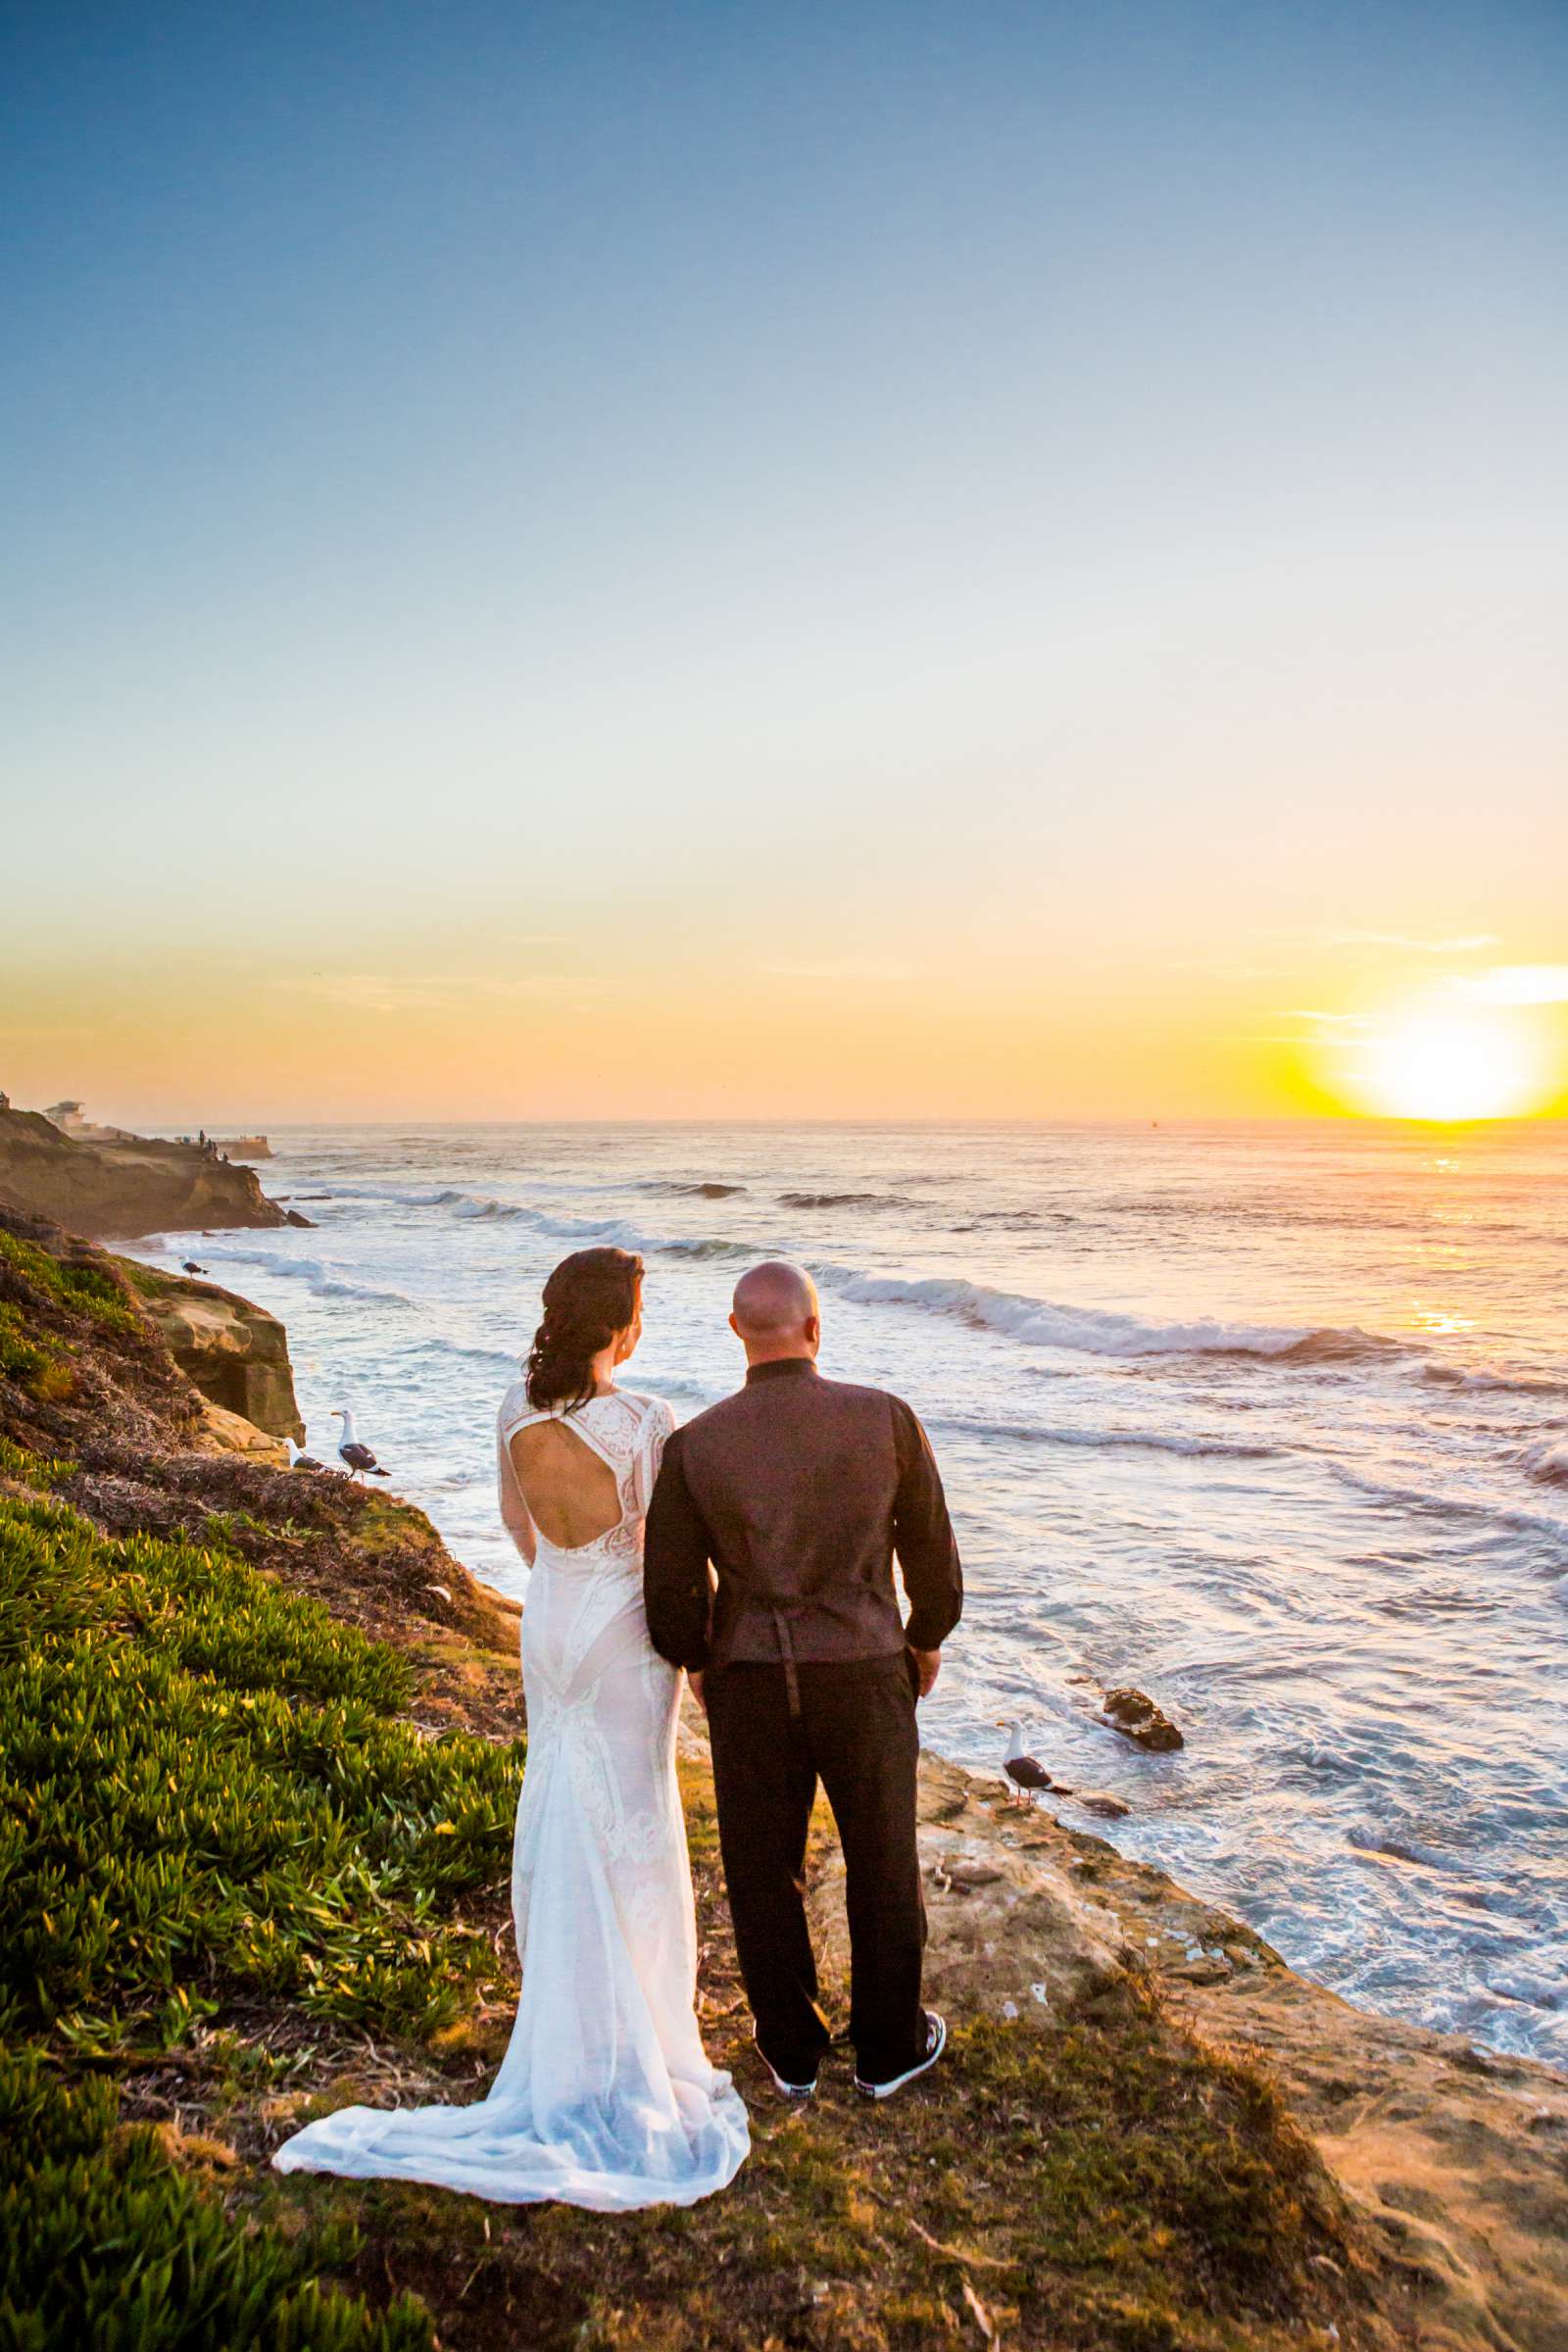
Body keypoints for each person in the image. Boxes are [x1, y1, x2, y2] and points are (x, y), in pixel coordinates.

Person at [273, 1247, 749, 2209]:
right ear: (618, 1324)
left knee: (562, 1791)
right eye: (639, 1311)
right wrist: (698, 1651)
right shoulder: (647, 1422)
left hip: (552, 1619)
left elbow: (520, 1530)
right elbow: (671, 1560)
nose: (642, 1326)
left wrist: (570, 1580)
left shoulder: (513, 1408)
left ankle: (566, 2008)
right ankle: (640, 2038)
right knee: (633, 1812)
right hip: (622, 1631)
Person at [643, 1260, 962, 2101]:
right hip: (864, 1671)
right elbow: (933, 1556)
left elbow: (671, 1590)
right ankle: (889, 2051)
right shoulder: (886, 1419)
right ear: (815, 1330)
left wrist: (700, 1659)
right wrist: (924, 1638)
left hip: (749, 1680)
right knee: (882, 1860)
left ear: (737, 1331)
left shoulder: (695, 1445)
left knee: (761, 1867)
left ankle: (790, 2052)